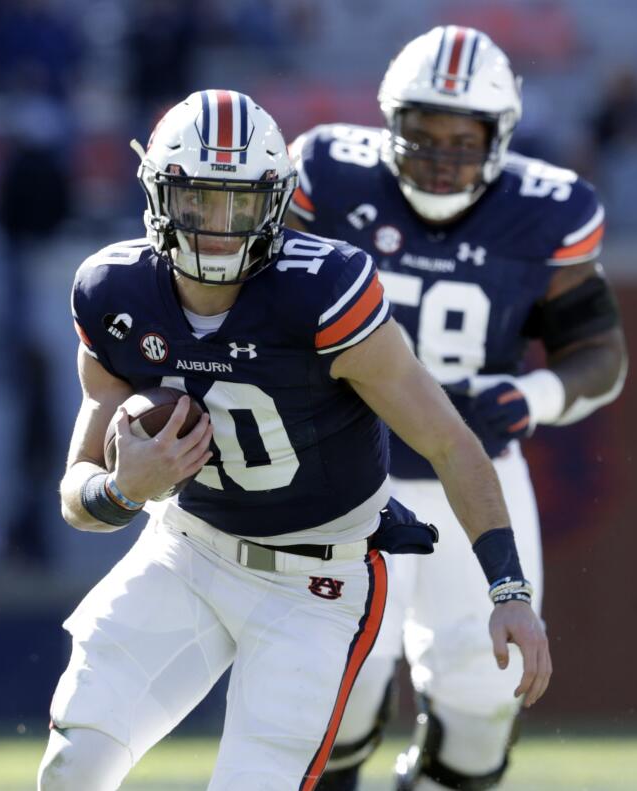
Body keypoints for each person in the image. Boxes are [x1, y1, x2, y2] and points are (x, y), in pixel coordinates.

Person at [36, 89, 551, 791]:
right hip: (186, 550)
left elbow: (451, 442)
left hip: (317, 582)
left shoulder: (323, 291)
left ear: (275, 203)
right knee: (76, 760)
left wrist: (509, 588)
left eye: (240, 204)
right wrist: (124, 489)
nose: (218, 228)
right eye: (198, 201)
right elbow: (76, 493)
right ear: (160, 196)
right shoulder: (114, 291)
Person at [285, 26, 626, 791]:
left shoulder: (547, 211)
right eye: (422, 136)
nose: (441, 158)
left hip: (472, 480)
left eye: (461, 141)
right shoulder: (330, 176)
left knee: (480, 715)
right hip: (343, 478)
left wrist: (534, 395)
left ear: (498, 139)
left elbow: (601, 353)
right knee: (332, 701)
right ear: (387, 124)